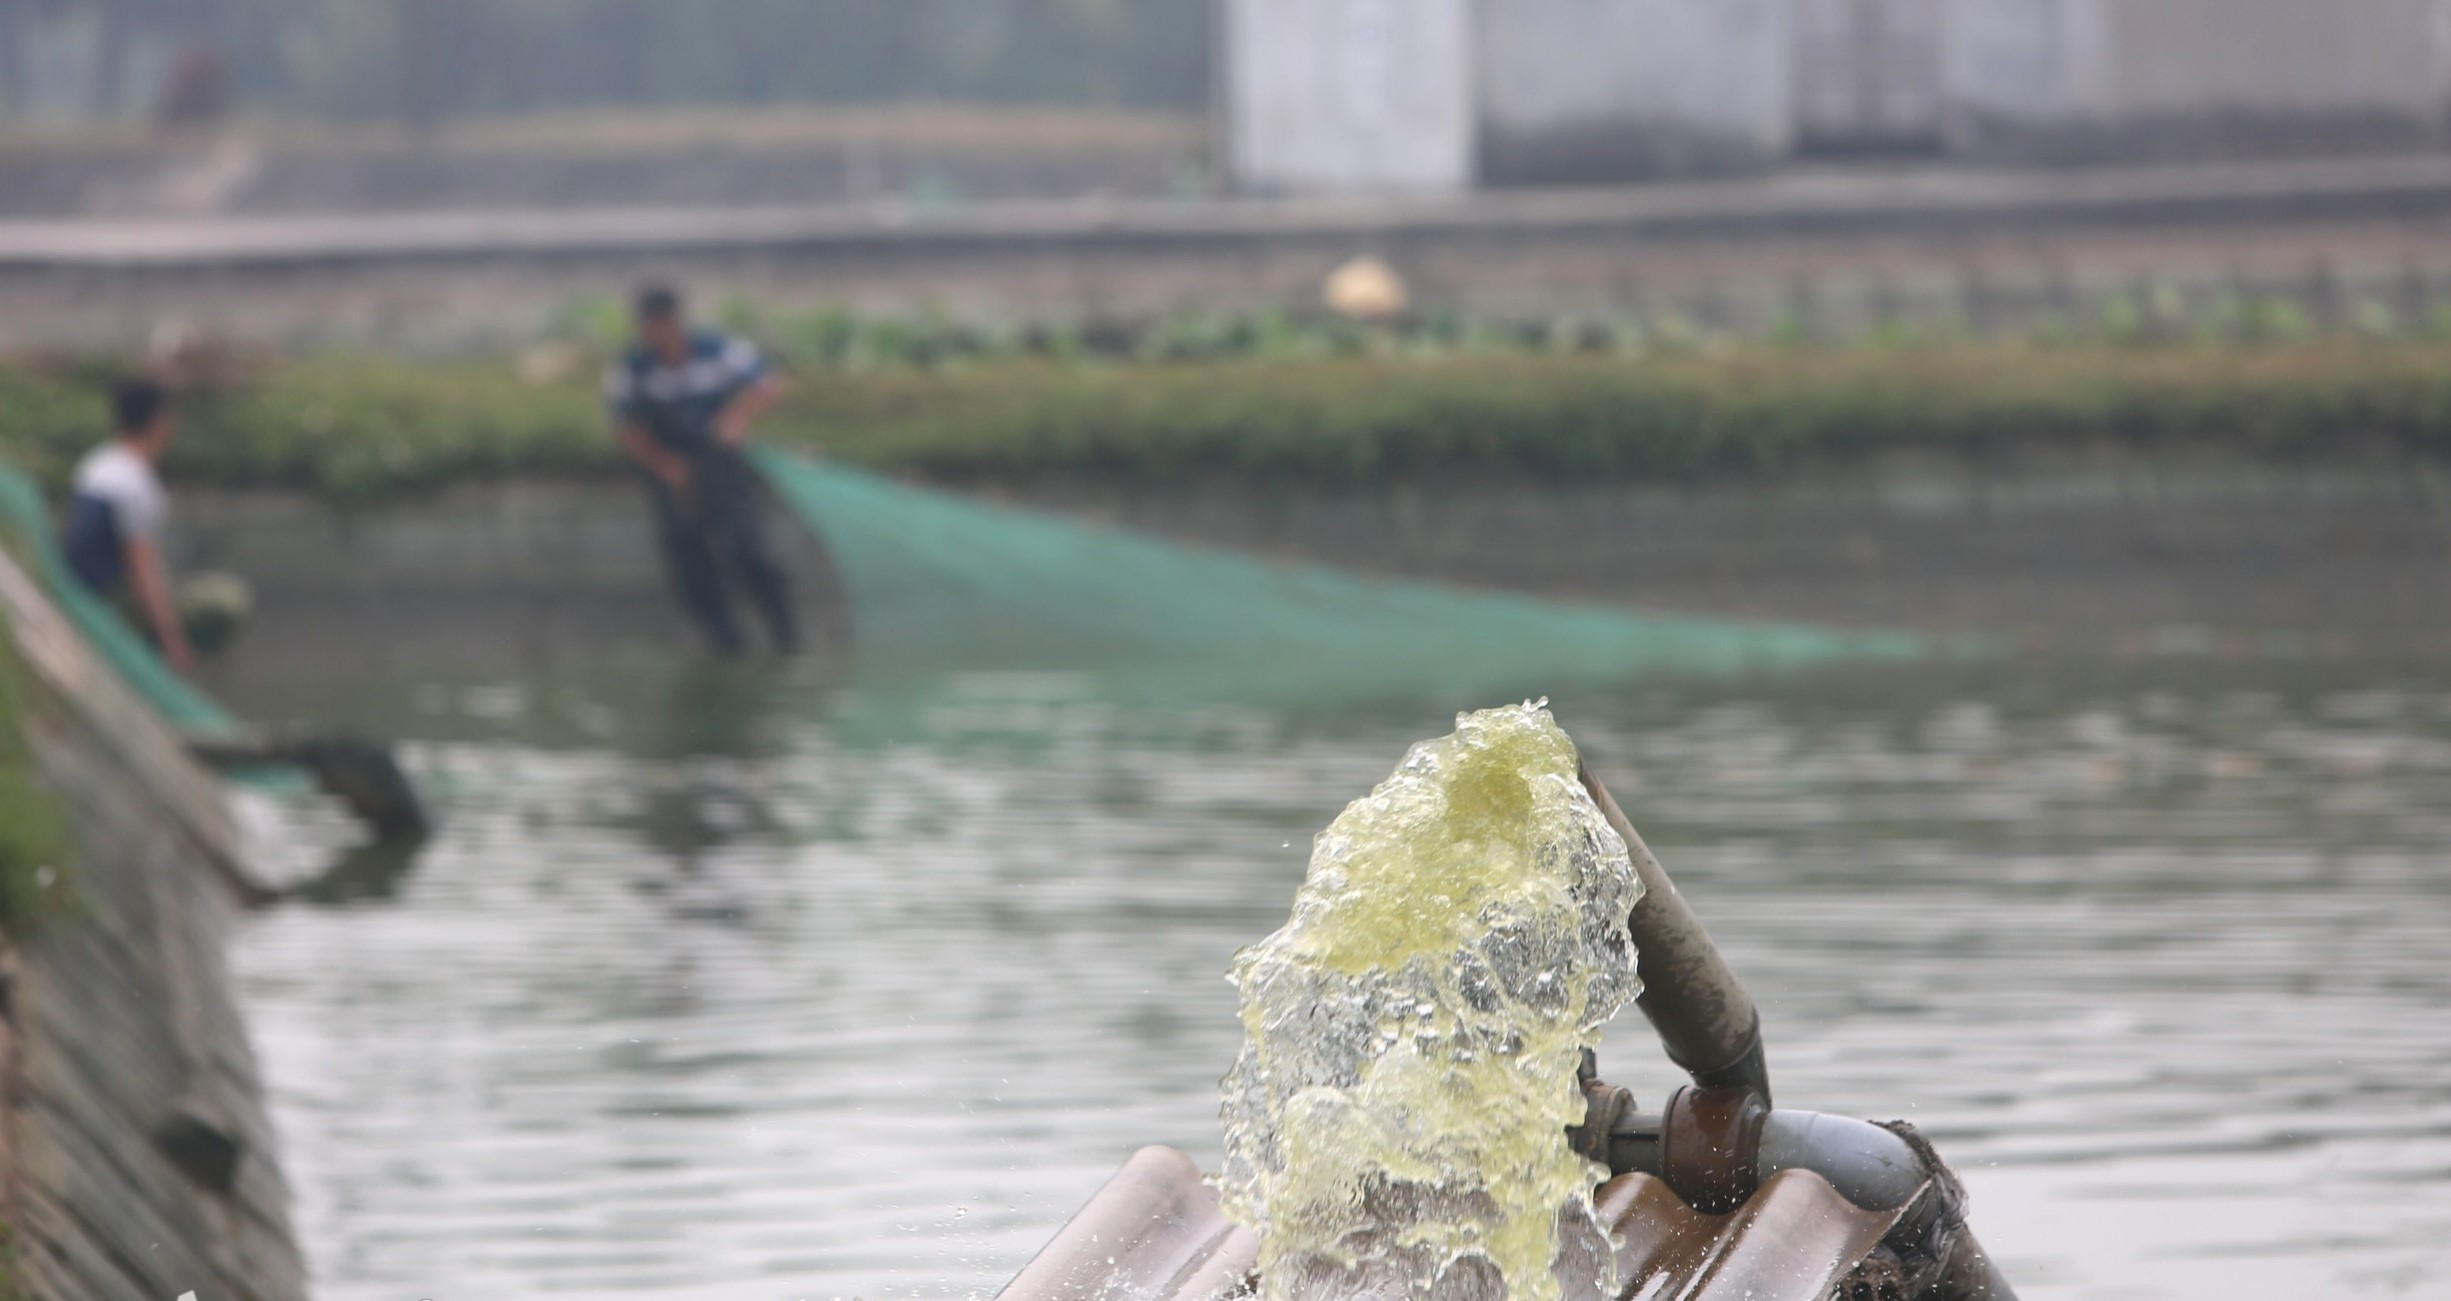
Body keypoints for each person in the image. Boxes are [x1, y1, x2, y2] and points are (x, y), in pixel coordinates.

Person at [606, 284, 798, 657]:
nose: (652, 332)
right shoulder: (633, 368)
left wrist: (736, 418)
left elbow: (767, 383)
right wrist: (666, 465)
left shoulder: (716, 350)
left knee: (749, 548)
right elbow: (627, 429)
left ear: (672, 322)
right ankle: (725, 643)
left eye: (659, 323)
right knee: (689, 557)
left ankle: (785, 637)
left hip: (721, 463)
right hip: (671, 472)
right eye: (646, 325)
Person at [61, 378, 195, 673]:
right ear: (159, 422)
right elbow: (142, 568)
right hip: (107, 598)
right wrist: (172, 639)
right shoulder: (136, 484)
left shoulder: (94, 464)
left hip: (78, 587)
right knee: (221, 600)